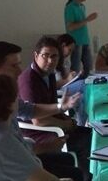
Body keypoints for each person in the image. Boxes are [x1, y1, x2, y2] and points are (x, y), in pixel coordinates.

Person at [0, 41, 86, 181]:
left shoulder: (5, 93)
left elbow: (28, 110)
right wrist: (48, 147)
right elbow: (13, 154)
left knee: (72, 161)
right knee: (78, 176)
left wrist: (60, 107)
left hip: (25, 154)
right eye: (14, 66)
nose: (19, 71)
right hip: (18, 178)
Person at [18, 36, 92, 171]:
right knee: (84, 142)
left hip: (52, 124)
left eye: (54, 56)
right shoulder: (28, 81)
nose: (50, 60)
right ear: (36, 55)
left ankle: (88, 177)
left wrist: (68, 119)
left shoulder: (49, 73)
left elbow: (53, 107)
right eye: (45, 56)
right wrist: (65, 124)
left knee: (91, 134)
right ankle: (85, 179)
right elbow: (38, 121)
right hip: (37, 132)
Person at [64, 0, 97, 76]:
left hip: (85, 41)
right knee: (76, 69)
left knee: (89, 68)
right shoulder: (70, 7)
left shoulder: (82, 7)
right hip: (75, 42)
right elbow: (70, 27)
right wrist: (87, 19)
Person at [56, 33, 87, 126]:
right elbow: (53, 84)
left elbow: (65, 77)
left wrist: (74, 76)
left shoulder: (65, 60)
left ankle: (81, 123)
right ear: (62, 45)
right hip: (58, 91)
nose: (70, 53)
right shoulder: (53, 60)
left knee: (82, 94)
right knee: (82, 85)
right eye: (69, 50)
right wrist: (67, 79)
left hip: (64, 86)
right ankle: (81, 124)